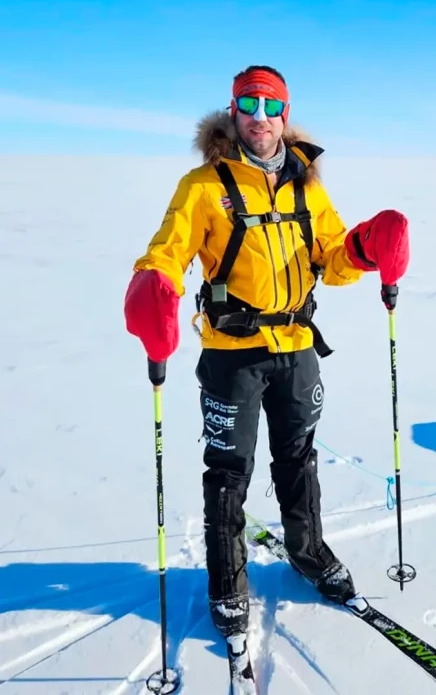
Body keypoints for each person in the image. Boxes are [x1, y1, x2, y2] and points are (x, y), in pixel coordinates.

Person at [123, 64, 410, 639]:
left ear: (285, 113)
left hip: (298, 347)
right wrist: (154, 286)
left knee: (298, 457)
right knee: (229, 469)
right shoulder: (202, 185)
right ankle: (227, 582)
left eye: (271, 107)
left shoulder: (307, 183)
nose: (260, 118)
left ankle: (308, 552)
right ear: (233, 112)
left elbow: (331, 258)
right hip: (233, 353)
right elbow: (167, 251)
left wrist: (363, 248)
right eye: (248, 106)